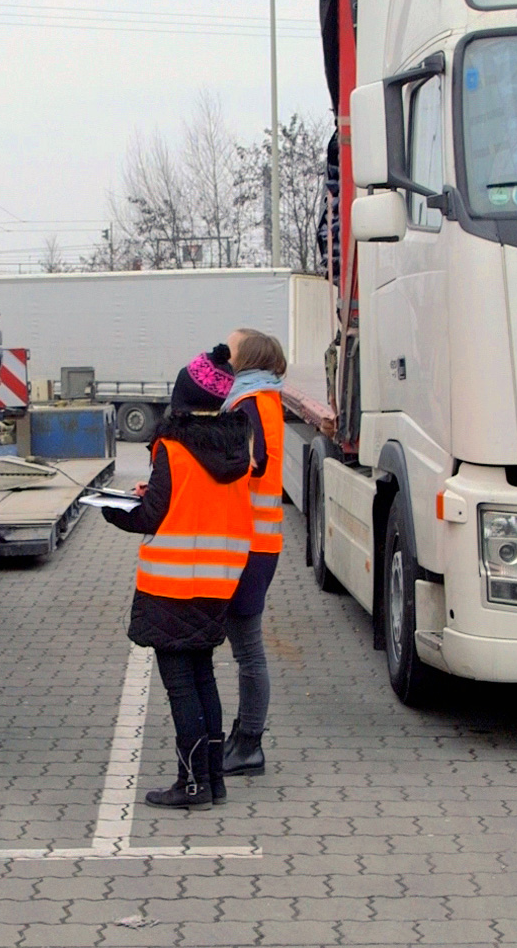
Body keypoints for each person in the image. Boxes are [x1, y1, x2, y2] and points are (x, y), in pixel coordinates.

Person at [102, 345, 252, 810]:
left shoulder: (172, 446)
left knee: (181, 687)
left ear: (183, 396)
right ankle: (213, 781)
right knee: (203, 677)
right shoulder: (233, 446)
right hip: (217, 581)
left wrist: (112, 509)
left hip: (171, 584)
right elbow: (195, 498)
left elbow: (152, 515)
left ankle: (192, 785)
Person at [220, 328, 287, 778]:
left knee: (248, 651)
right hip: (258, 543)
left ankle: (249, 745)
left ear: (248, 357)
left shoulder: (249, 403)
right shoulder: (263, 399)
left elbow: (252, 461)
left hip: (249, 545)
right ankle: (243, 737)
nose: (223, 354)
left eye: (230, 348)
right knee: (246, 649)